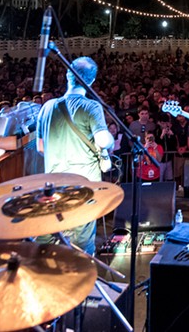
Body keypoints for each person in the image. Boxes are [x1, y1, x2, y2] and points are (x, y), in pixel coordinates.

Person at [36, 57, 113, 255]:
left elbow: (40, 148)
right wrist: (109, 142)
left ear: (68, 76)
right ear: (92, 81)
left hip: (53, 186)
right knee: (82, 242)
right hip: (83, 186)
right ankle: (82, 280)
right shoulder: (91, 107)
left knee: (49, 238)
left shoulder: (47, 107)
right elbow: (103, 140)